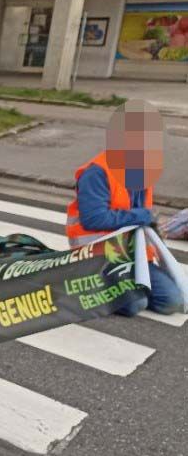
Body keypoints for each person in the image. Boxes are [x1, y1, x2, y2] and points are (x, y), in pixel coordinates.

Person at [66, 100, 184, 316]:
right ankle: (81, 278)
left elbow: (140, 217)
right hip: (99, 256)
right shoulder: (97, 172)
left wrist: (152, 227)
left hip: (133, 254)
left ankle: (126, 284)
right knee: (133, 305)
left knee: (171, 302)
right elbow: (93, 219)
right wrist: (143, 215)